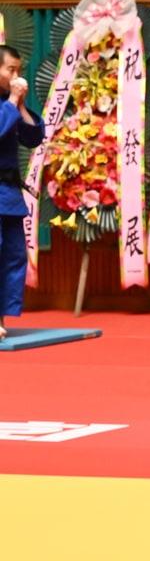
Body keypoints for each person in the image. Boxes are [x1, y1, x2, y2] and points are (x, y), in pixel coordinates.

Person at [0, 45, 43, 342]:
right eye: (10, 70)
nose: (16, 76)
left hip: (9, 193)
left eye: (19, 70)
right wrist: (13, 101)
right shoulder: (7, 103)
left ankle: (1, 318)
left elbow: (33, 137)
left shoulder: (11, 102)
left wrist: (22, 105)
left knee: (14, 256)